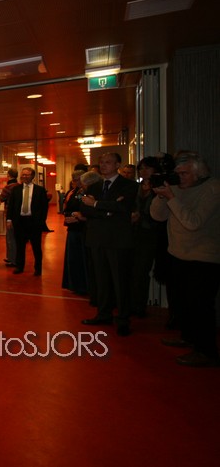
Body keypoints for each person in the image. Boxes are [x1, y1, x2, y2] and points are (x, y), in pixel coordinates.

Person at [151, 151, 220, 367]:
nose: (179, 178)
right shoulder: (178, 189)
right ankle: (189, 337)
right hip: (178, 254)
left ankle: (206, 351)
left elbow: (193, 222)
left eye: (184, 174)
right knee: (182, 303)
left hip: (204, 258)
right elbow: (157, 216)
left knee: (201, 306)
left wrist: (172, 198)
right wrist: (162, 196)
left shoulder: (213, 189)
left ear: (199, 173)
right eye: (177, 173)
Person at [80, 152, 139, 337]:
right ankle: (103, 314)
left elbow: (123, 207)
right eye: (102, 162)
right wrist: (107, 210)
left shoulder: (129, 185)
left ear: (117, 165)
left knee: (120, 281)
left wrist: (96, 204)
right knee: (101, 279)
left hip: (117, 241)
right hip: (97, 239)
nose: (103, 165)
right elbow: (84, 209)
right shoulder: (94, 186)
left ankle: (123, 319)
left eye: (108, 162)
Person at [129, 156, 165, 318]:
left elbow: (160, 213)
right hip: (134, 233)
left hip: (151, 234)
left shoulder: (161, 188)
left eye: (147, 168)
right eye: (141, 168)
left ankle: (139, 306)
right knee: (133, 270)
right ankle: (133, 303)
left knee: (142, 271)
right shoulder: (136, 187)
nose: (143, 171)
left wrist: (141, 217)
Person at [5, 167, 48, 276]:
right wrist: (9, 219)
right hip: (20, 222)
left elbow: (44, 207)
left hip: (34, 222)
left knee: (36, 247)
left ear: (32, 176)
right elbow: (11, 206)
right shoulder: (16, 189)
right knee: (20, 246)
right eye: (23, 174)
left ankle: (38, 268)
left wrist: (41, 221)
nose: (24, 176)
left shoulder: (40, 190)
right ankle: (19, 266)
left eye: (27, 175)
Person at [61, 170, 93, 296]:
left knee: (83, 259)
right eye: (74, 179)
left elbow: (89, 211)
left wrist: (78, 217)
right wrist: (71, 216)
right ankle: (74, 284)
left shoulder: (88, 193)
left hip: (83, 230)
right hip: (73, 229)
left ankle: (84, 286)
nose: (77, 182)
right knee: (73, 259)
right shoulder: (73, 192)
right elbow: (67, 208)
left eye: (79, 179)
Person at [0, 167, 20, 266]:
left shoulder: (8, 187)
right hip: (19, 214)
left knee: (10, 237)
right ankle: (17, 258)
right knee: (17, 237)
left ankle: (12, 258)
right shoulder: (20, 186)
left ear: (8, 175)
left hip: (10, 214)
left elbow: (2, 198)